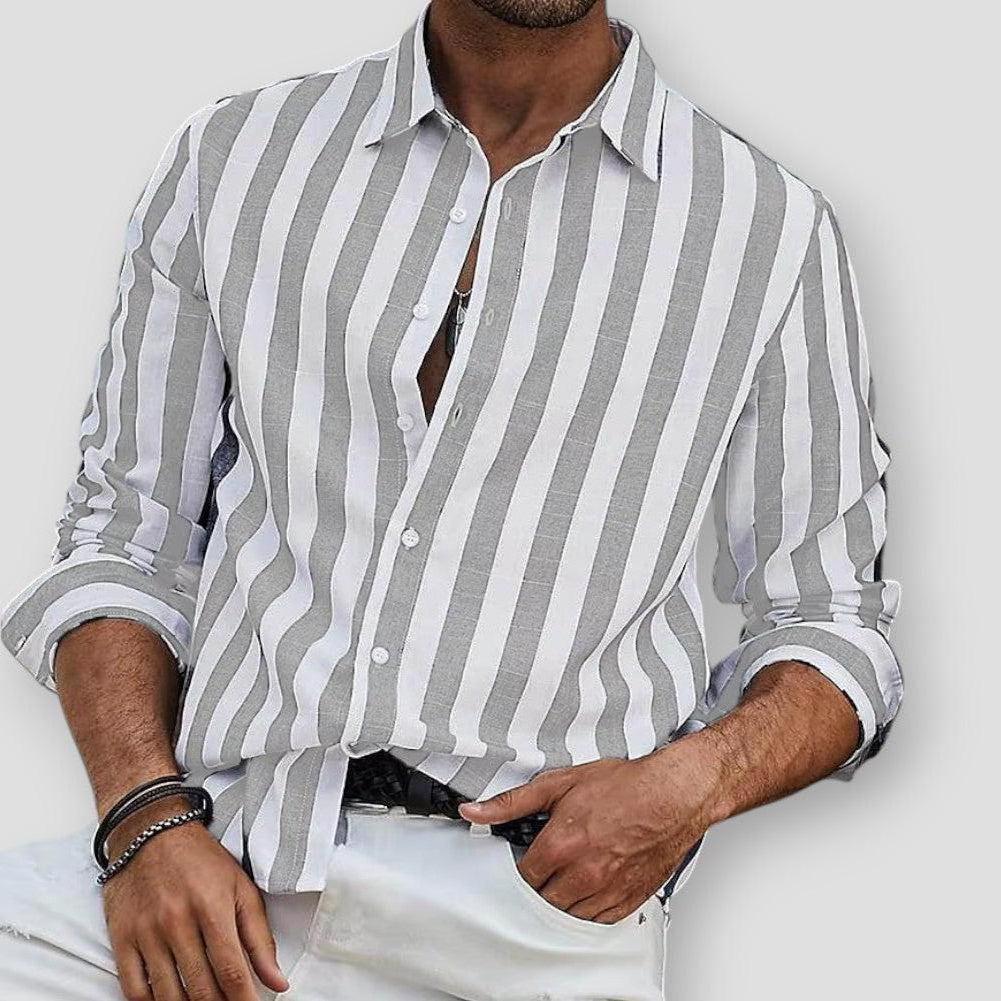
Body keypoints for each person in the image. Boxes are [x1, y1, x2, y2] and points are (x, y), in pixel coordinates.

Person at [0, 1, 904, 998]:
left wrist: (689, 785)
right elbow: (125, 538)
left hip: (529, 922)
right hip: (215, 868)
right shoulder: (236, 158)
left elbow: (831, 622)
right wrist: (143, 819)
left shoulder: (764, 227)